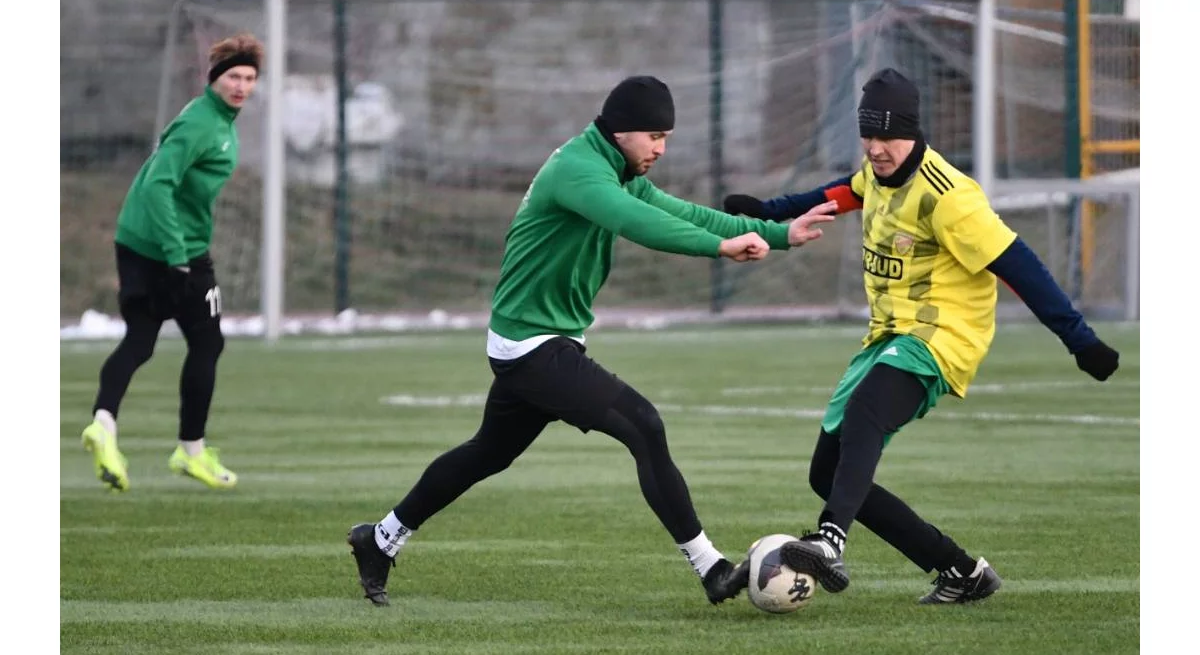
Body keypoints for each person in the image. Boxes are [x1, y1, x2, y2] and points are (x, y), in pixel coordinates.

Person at [346, 75, 839, 607]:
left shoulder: (614, 166)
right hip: (533, 344)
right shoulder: (580, 170)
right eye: (654, 135)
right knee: (644, 426)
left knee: (487, 453)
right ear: (622, 131)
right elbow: (639, 223)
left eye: (667, 137)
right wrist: (721, 247)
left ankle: (380, 538)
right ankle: (712, 568)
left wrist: (778, 234)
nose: (661, 148)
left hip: (535, 338)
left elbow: (680, 212)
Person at [723, 68, 1120, 604]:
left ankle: (830, 540)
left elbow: (1021, 265)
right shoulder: (875, 175)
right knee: (827, 472)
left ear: (913, 131)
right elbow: (842, 193)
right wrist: (770, 211)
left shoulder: (949, 196)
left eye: (888, 136)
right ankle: (961, 571)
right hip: (888, 336)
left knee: (866, 411)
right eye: (868, 134)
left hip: (943, 337)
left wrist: (1080, 340)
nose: (876, 148)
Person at [80, 33, 264, 492]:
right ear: (215, 79)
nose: (241, 85)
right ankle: (191, 451)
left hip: (138, 240)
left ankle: (104, 424)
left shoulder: (213, 119)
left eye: (249, 77)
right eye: (232, 76)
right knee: (207, 342)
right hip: (174, 249)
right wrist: (179, 257)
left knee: (140, 339)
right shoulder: (203, 124)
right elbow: (159, 184)